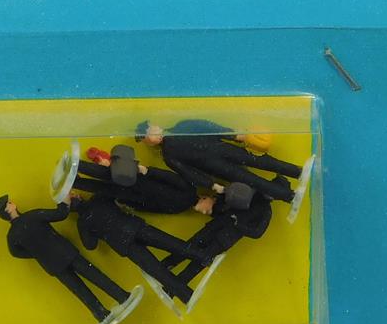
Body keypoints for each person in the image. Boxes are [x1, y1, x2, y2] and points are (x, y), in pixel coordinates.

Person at [0, 195, 137, 324]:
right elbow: (60, 214)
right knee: (95, 275)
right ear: (9, 209)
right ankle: (121, 296)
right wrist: (64, 201)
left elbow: (15, 253)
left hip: (52, 264)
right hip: (66, 252)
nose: (12, 203)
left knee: (79, 290)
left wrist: (37, 254)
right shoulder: (32, 216)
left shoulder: (12, 236)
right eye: (9, 203)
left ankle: (101, 314)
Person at [72, 195, 208, 304]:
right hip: (133, 226)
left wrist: (97, 231)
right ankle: (204, 256)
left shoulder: (82, 223)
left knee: (156, 270)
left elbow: (90, 245)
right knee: (171, 243)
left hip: (123, 244)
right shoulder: (98, 198)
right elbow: (118, 196)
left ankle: (186, 295)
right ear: (78, 197)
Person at [135, 118, 301, 203]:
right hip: (216, 167)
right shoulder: (168, 155)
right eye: (146, 138)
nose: (151, 137)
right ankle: (289, 195)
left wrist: (233, 135)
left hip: (223, 149)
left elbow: (208, 127)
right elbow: (189, 173)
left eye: (149, 132)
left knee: (260, 160)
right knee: (251, 179)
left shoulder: (181, 126)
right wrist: (211, 185)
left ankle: (297, 171)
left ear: (154, 126)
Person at [163, 183, 273, 284]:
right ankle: (167, 266)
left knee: (200, 258)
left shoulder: (264, 208)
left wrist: (238, 224)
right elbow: (227, 200)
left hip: (225, 236)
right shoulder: (251, 193)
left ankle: (176, 282)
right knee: (192, 246)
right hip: (220, 228)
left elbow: (257, 232)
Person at [70, 144, 198, 214]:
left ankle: (75, 176)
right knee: (105, 179)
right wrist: (147, 171)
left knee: (104, 183)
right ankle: (76, 171)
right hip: (139, 185)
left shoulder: (182, 206)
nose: (204, 212)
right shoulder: (189, 192)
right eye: (207, 210)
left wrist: (131, 204)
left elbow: (152, 208)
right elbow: (169, 178)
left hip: (136, 191)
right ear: (206, 198)